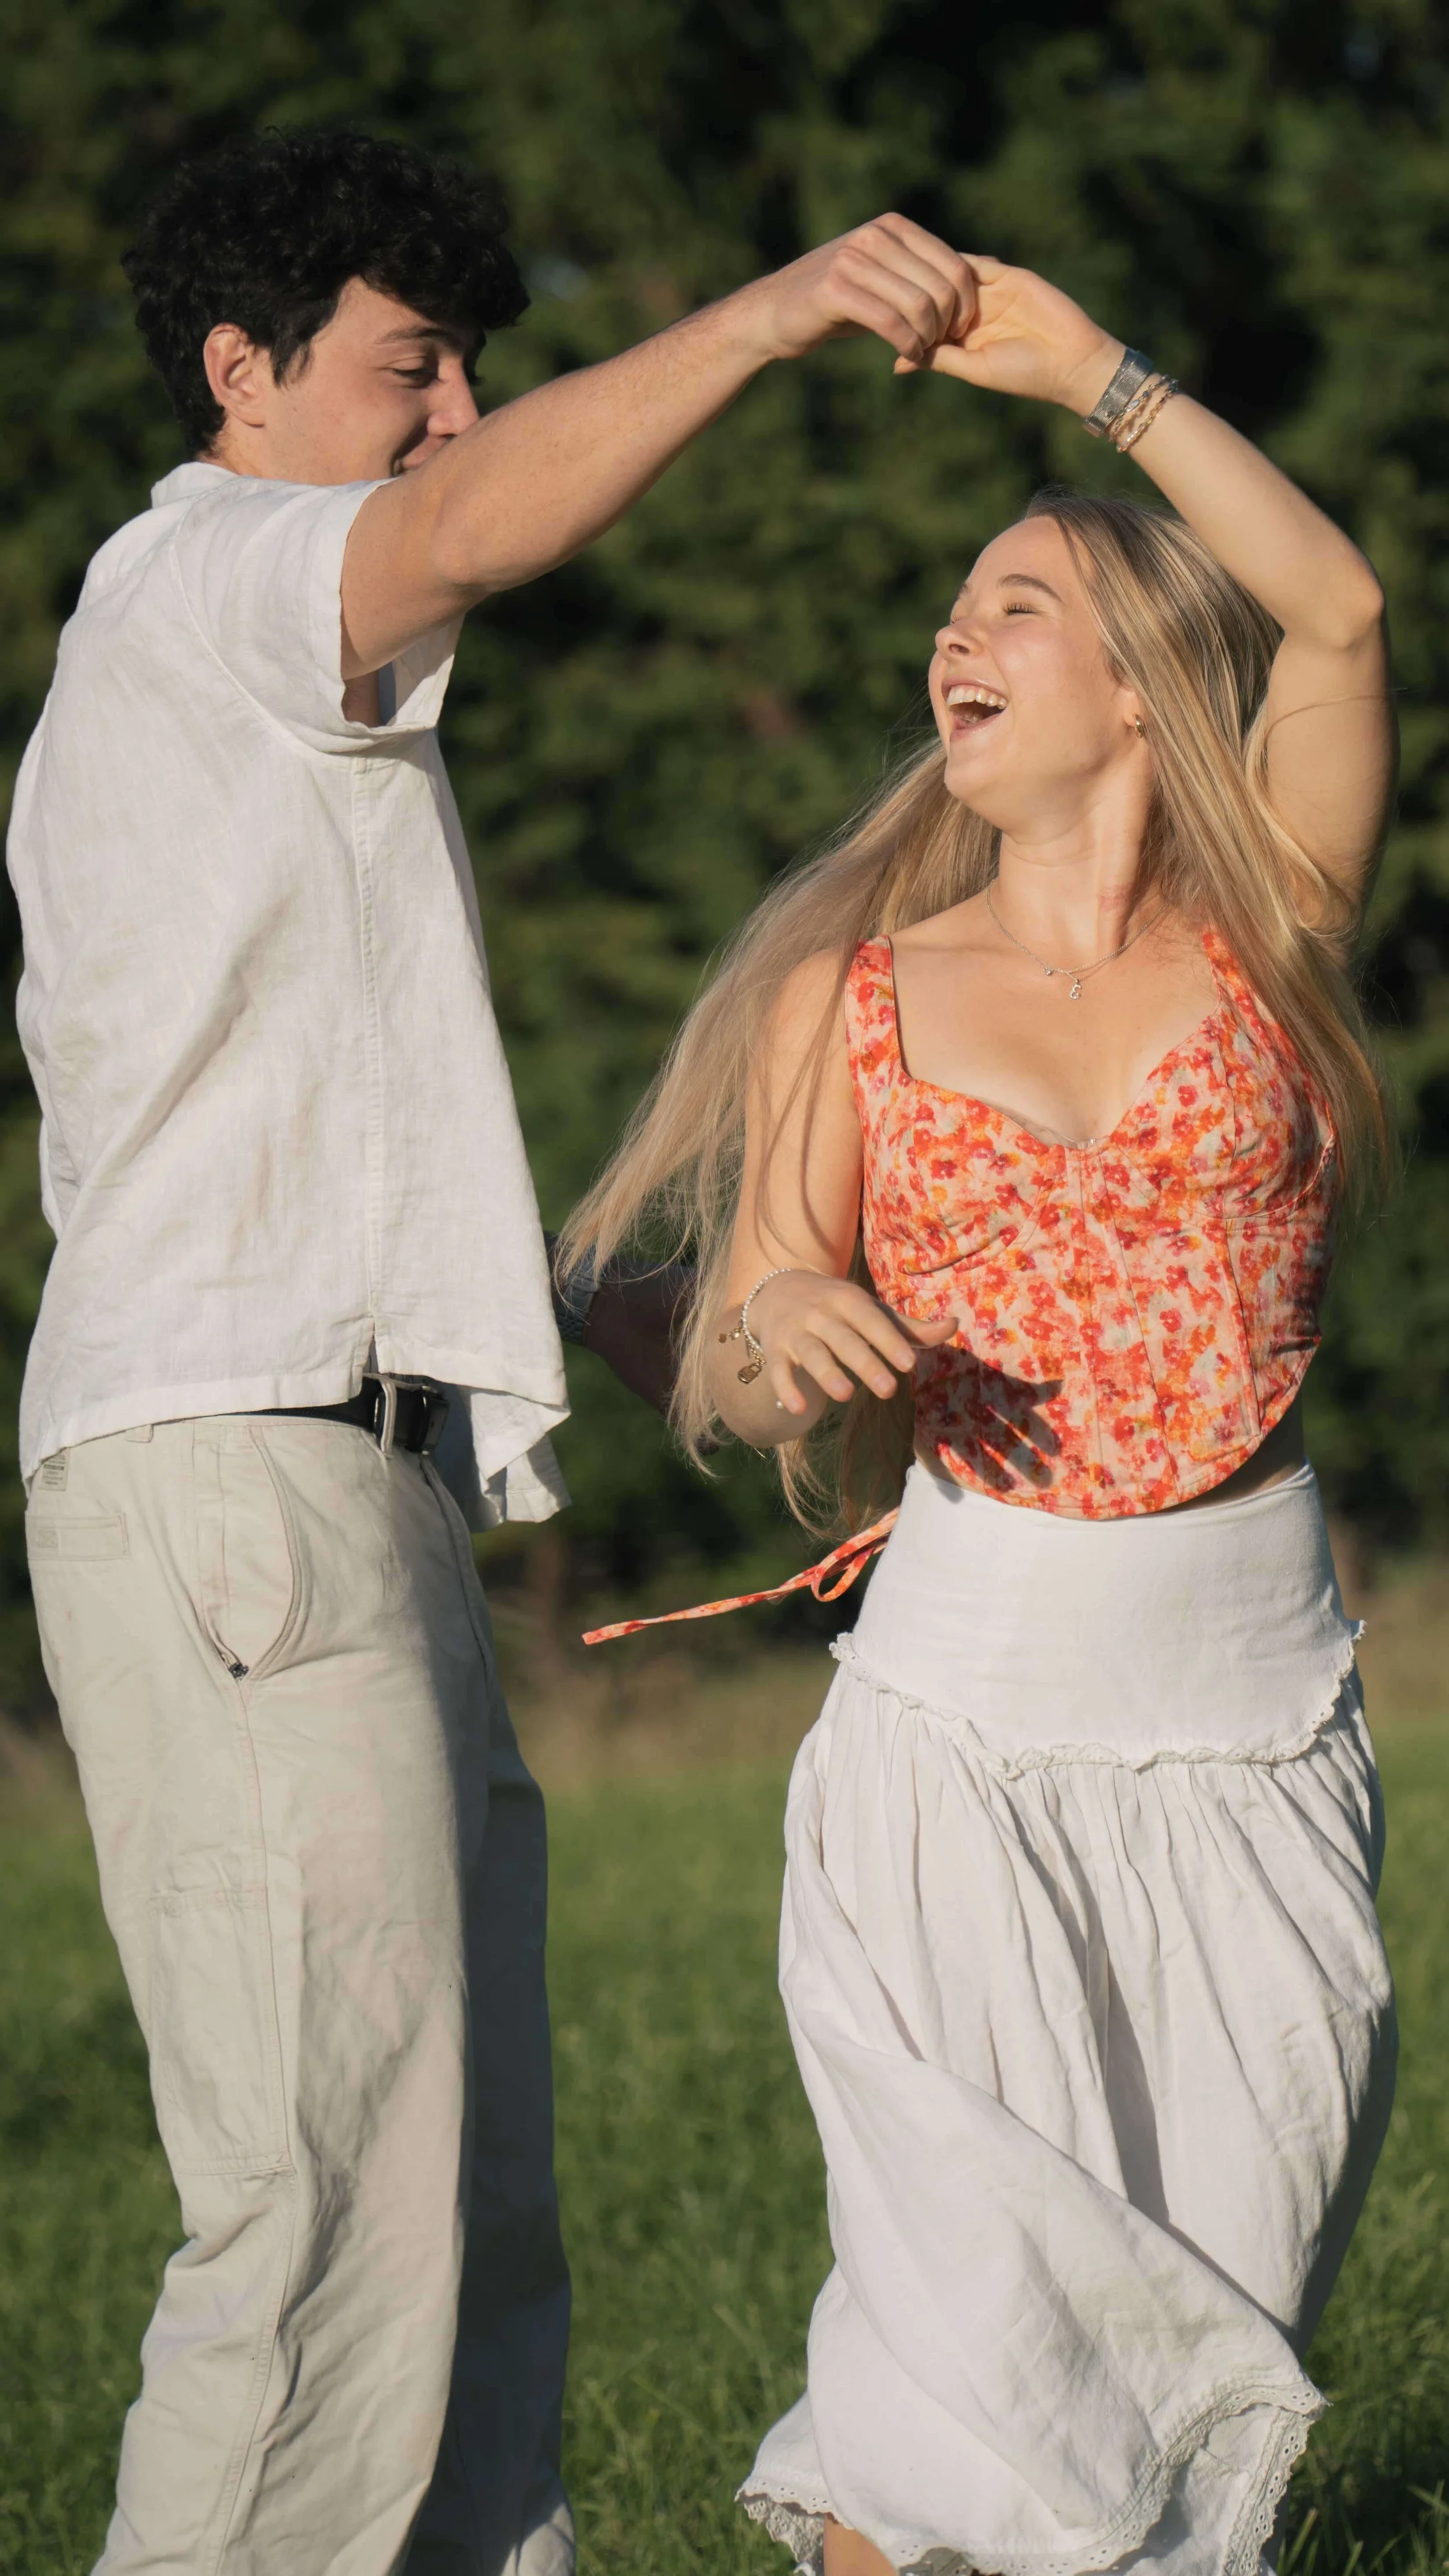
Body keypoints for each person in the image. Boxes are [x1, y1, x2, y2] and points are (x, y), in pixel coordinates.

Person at [6, 129, 985, 2576]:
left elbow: (278, 1108)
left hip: (346, 1486)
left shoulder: (230, 686)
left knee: (469, 2227)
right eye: (406, 364)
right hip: (243, 1490)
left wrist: (587, 1313)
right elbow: (467, 535)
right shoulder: (211, 572)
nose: (455, 415)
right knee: (334, 2233)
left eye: (473, 366)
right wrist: (763, 315)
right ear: (239, 375)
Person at [565, 254, 1399, 2575]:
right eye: (947, 608)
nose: (952, 637)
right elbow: (730, 1348)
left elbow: (1327, 618)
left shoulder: (1276, 936)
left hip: (1246, 1707)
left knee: (1211, 2293)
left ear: (1136, 678)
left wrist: (1097, 384)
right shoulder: (855, 992)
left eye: (1009, 603)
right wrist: (789, 1308)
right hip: (960, 1715)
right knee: (959, 2364)